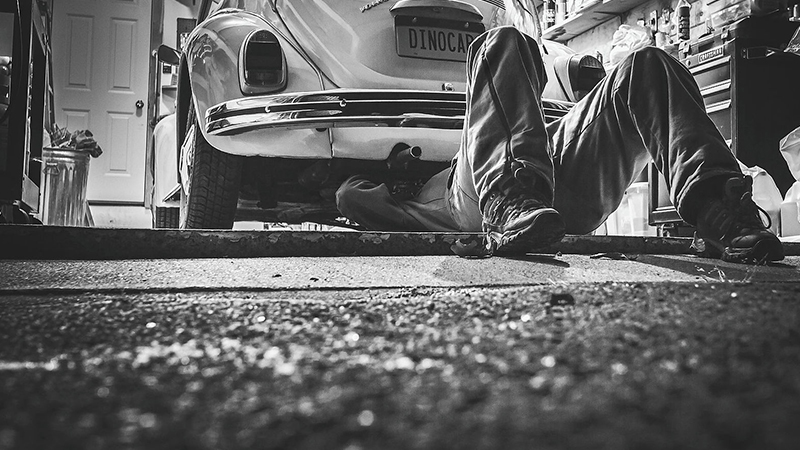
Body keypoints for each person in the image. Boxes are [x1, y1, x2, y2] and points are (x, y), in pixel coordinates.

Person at [335, 24, 784, 264]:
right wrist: (393, 175)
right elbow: (348, 194)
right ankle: (510, 202)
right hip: (486, 205)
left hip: (552, 183)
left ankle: (720, 212)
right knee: (500, 42)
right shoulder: (409, 199)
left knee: (648, 65)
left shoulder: (486, 141)